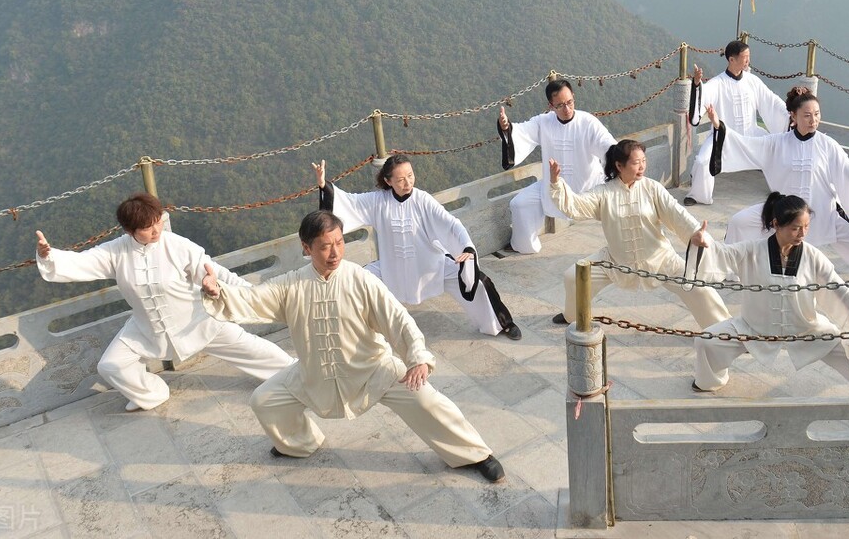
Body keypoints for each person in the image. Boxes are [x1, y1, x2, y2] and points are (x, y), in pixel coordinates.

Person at [200, 211, 505, 483]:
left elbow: (397, 319)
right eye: (325, 246)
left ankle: (475, 455)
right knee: (264, 400)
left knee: (428, 401)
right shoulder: (291, 285)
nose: (335, 252)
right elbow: (252, 298)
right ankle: (298, 443)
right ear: (306, 248)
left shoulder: (361, 279)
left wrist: (418, 357)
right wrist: (218, 292)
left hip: (374, 370)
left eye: (339, 242)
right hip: (313, 374)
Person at [34, 193, 294, 412]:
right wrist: (49, 256)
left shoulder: (177, 245)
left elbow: (214, 271)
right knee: (111, 365)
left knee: (254, 349)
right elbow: (80, 262)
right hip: (146, 328)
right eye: (147, 228)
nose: (156, 230)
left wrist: (253, 294)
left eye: (158, 222)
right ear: (130, 231)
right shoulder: (115, 252)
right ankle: (152, 394)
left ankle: (294, 373)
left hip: (196, 319)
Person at [709, 88, 849, 305]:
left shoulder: (827, 145)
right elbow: (745, 145)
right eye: (807, 115)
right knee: (739, 221)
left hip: (824, 213)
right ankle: (728, 268)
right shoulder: (776, 143)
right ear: (793, 116)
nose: (813, 120)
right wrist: (719, 127)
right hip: (785, 214)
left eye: (817, 114)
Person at [693, 193, 849, 398]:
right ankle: (709, 381)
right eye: (795, 228)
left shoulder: (813, 257)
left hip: (806, 329)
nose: (802, 234)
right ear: (776, 224)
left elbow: (840, 293)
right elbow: (722, 253)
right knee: (707, 342)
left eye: (806, 227)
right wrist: (705, 244)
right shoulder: (751, 250)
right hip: (754, 327)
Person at [312, 155, 521, 340]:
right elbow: (349, 203)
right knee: (354, 282)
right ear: (388, 181)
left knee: (479, 281)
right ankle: (352, 336)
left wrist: (466, 248)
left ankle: (502, 323)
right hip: (392, 269)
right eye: (400, 179)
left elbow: (450, 224)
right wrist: (324, 186)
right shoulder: (377, 201)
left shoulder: (423, 200)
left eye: (410, 175)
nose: (407, 182)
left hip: (430, 266)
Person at [547, 139, 731, 329]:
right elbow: (576, 206)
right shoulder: (604, 193)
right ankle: (572, 316)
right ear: (619, 166)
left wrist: (694, 233)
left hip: (660, 259)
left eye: (644, 160)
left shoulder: (652, 188)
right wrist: (556, 183)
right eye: (636, 162)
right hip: (616, 260)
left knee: (701, 290)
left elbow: (676, 213)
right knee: (573, 277)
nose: (642, 166)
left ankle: (725, 330)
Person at [497, 79, 617, 254]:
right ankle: (523, 245)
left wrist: (624, 155)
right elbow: (521, 132)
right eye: (560, 105)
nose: (567, 109)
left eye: (570, 102)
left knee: (617, 206)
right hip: (552, 187)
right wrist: (506, 127)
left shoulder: (588, 122)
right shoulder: (543, 122)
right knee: (519, 204)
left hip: (587, 188)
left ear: (573, 97)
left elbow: (607, 145)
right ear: (551, 106)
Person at [684, 39, 789, 206]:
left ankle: (782, 190)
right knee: (703, 161)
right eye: (745, 57)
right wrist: (697, 84)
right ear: (731, 59)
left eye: (749, 56)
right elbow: (701, 101)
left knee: (778, 151)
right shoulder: (717, 83)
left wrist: (790, 113)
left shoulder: (752, 81)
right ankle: (698, 195)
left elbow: (772, 101)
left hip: (751, 134)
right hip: (724, 137)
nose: (748, 61)